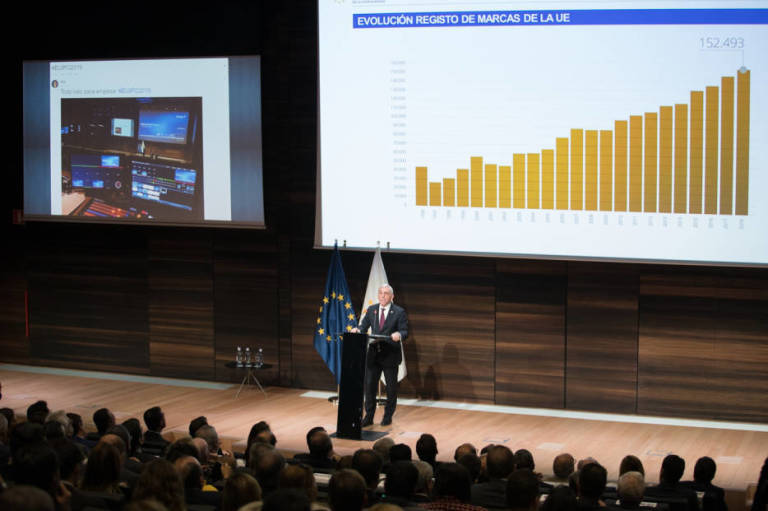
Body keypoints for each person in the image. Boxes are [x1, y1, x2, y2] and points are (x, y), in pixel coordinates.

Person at [351, 284, 408, 426]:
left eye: (386, 293)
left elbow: (404, 331)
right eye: (380, 293)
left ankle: (387, 416)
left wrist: (399, 334)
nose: (383, 296)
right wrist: (357, 330)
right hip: (374, 355)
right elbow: (363, 327)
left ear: (392, 296)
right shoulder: (372, 310)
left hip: (390, 355)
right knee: (369, 386)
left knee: (391, 388)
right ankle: (369, 416)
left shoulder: (399, 312)